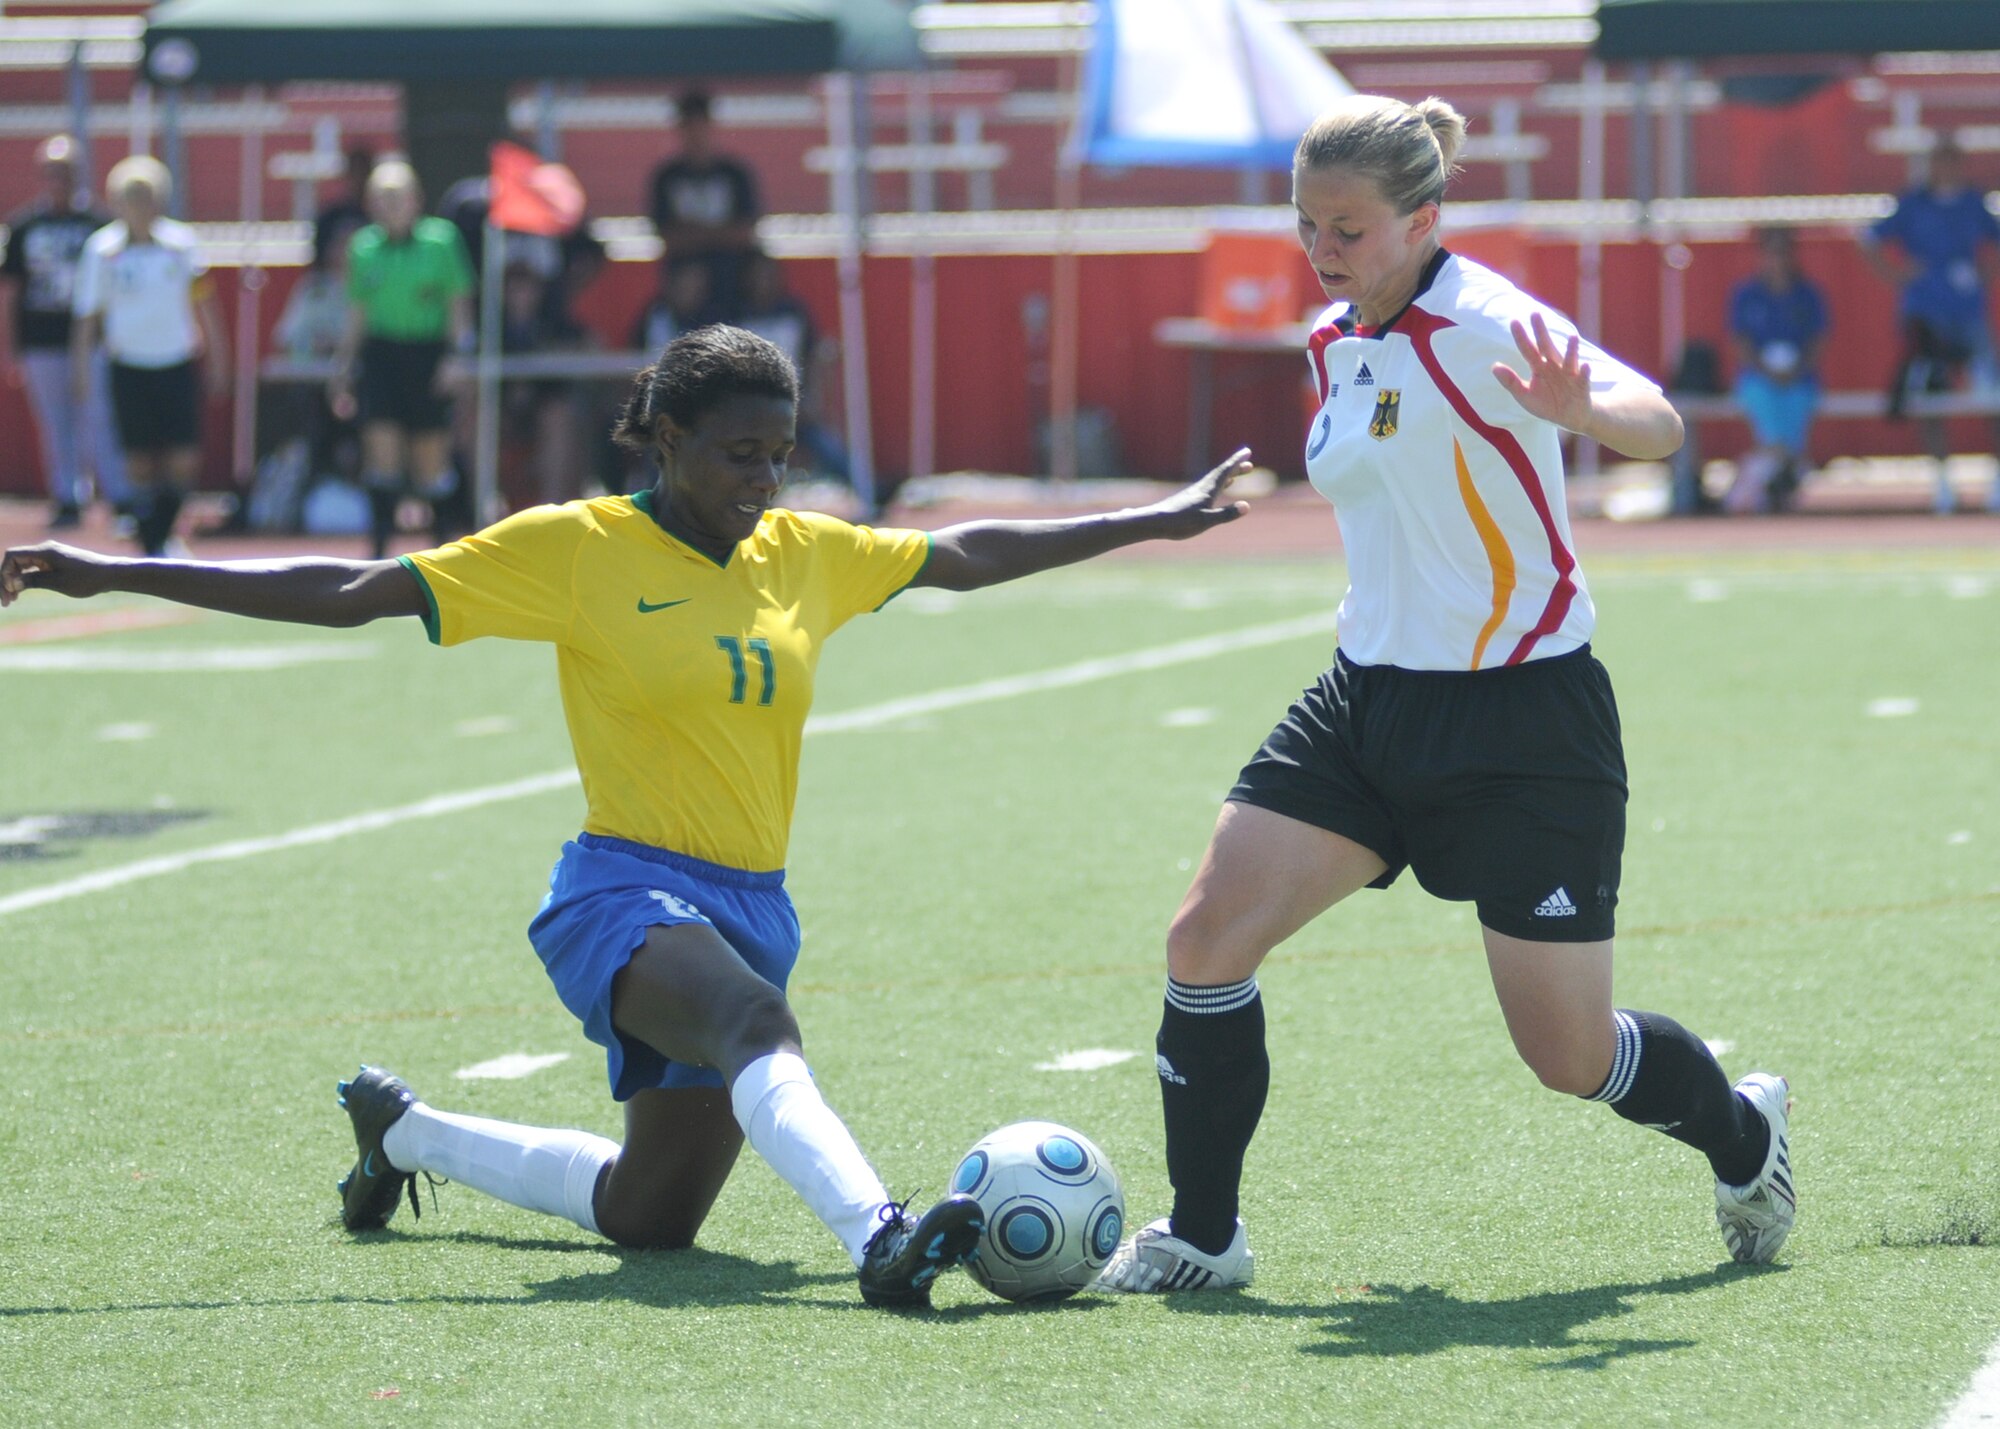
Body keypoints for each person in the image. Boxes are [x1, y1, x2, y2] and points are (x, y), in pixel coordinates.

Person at [1, 323, 1253, 1308]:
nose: (763, 479)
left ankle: (407, 1130)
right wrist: (110, 567)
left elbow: (965, 553)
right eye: (736, 453)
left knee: (648, 1217)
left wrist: (1156, 514)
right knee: (759, 1023)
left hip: (753, 904)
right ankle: (881, 1235)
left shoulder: (800, 551)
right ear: (662, 436)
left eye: (780, 452)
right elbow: (346, 588)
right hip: (620, 893)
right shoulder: (576, 547)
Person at [1095, 94, 1795, 1296]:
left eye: (1348, 227)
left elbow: (1658, 421)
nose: (1322, 248)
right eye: (1308, 223)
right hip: (1365, 709)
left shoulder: (1485, 321)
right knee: (1204, 943)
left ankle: (1741, 1132)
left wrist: (1586, 413)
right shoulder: (1333, 339)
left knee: (1569, 1058)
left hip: (1524, 724)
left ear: (1423, 219)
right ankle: (1202, 1236)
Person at [71, 155, 227, 557]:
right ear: (114, 201)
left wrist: (220, 356)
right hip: (128, 364)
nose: (139, 205)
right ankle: (151, 542)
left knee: (183, 458)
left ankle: (163, 532)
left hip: (175, 361)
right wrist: (81, 370)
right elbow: (88, 314)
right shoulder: (102, 250)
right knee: (137, 459)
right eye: (130, 196)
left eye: (147, 196)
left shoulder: (181, 245)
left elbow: (205, 303)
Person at [330, 160, 476, 558]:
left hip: (428, 356)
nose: (387, 205)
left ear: (416, 199)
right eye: (379, 198)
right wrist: (343, 367)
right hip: (381, 357)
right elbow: (357, 313)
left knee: (431, 460)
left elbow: (458, 305)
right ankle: (378, 556)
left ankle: (442, 557)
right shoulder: (363, 247)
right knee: (382, 454)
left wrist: (457, 358)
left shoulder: (441, 241)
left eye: (396, 197)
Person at [1858, 136, 2000, 514]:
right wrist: (1896, 274)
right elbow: (1869, 237)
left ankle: (1996, 482)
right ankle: (1943, 483)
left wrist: (1987, 272)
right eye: (1940, 161)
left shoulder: (1974, 202)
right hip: (1926, 317)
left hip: (1970, 315)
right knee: (1931, 396)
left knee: (1992, 394)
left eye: (1953, 161)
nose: (1947, 169)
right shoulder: (1913, 203)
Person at [0, 134, 129, 530]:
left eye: (66, 171)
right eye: (51, 172)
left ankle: (118, 497)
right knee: (56, 422)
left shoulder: (101, 225)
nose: (58, 179)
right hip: (42, 340)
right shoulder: (24, 227)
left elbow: (117, 288)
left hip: (91, 341)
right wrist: (10, 348)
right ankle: (67, 496)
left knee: (99, 417)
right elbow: (10, 292)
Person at [1725, 227, 1827, 513]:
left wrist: (1796, 371)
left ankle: (1757, 477)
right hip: (1757, 379)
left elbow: (1818, 341)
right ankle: (1777, 478)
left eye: (1783, 252)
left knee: (1794, 412)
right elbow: (1740, 342)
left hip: (1800, 379)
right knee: (1770, 423)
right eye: (1771, 253)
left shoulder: (1807, 295)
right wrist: (1767, 372)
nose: (1777, 260)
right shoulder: (1747, 295)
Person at [738, 248, 850, 488]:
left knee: (826, 446)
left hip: (794, 405)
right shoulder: (736, 315)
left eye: (768, 275)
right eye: (757, 276)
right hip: (747, 409)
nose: (763, 282)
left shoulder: (793, 312)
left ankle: (865, 489)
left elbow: (812, 356)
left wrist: (809, 401)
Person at [647, 91, 760, 318]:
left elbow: (745, 233)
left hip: (734, 271)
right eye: (690, 128)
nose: (696, 136)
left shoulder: (735, 174)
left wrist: (693, 232)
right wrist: (719, 234)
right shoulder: (666, 177)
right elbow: (668, 238)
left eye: (701, 127)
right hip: (683, 273)